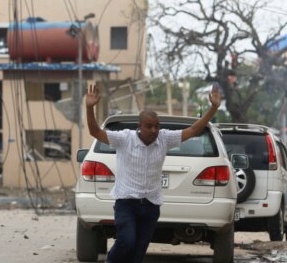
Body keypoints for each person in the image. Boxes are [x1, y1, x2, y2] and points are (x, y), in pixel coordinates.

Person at [85, 83, 222, 263]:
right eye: (149, 126)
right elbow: (95, 131)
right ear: (139, 126)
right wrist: (89, 108)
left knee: (138, 254)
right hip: (127, 203)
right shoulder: (124, 139)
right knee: (127, 241)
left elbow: (194, 130)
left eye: (157, 126)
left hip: (150, 206)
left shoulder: (164, 138)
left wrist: (213, 108)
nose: (154, 131)